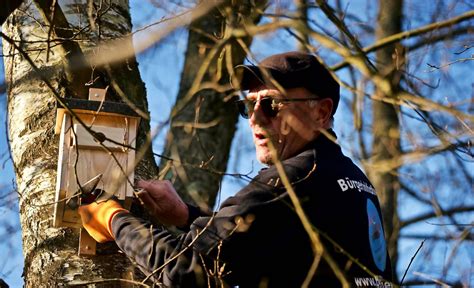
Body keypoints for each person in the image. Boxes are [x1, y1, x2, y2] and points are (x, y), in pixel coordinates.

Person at [78, 51, 394, 287]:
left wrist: (113, 219)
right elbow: (262, 238)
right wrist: (187, 216)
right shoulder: (349, 179)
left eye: (271, 105)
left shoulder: (293, 180)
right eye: (247, 106)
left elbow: (184, 268)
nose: (255, 118)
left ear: (322, 112)